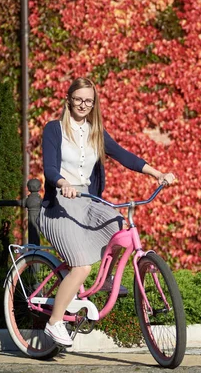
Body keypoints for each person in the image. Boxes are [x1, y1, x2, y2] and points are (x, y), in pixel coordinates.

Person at [38, 77, 176, 347]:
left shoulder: (95, 131)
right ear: (68, 99)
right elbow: (49, 168)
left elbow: (124, 156)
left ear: (93, 104)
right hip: (59, 204)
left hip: (88, 201)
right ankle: (54, 323)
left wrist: (157, 173)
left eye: (88, 100)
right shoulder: (54, 129)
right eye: (78, 99)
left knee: (119, 226)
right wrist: (62, 183)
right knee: (81, 267)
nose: (83, 104)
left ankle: (106, 280)